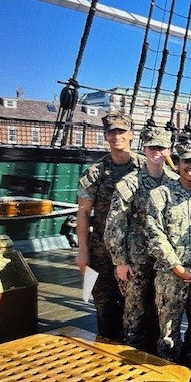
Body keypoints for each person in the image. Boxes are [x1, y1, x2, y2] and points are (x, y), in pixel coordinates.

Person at [145, 139, 191, 380]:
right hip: (170, 276)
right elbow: (154, 233)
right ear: (177, 163)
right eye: (187, 161)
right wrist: (175, 266)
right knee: (168, 332)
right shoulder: (160, 196)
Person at [103, 125, 178, 353]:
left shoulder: (175, 183)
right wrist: (120, 261)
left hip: (166, 260)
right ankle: (131, 355)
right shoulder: (130, 183)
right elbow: (115, 224)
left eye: (162, 147)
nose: (157, 151)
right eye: (152, 147)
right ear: (144, 149)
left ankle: (162, 357)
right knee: (134, 310)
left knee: (165, 310)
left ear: (168, 150)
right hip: (136, 258)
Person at [75, 111, 145, 341]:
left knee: (136, 306)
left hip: (135, 248)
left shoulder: (145, 167)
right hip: (101, 249)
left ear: (131, 135)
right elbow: (84, 212)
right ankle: (107, 349)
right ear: (106, 136)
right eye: (112, 132)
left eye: (121, 131)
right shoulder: (96, 172)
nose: (117, 136)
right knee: (104, 304)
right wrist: (82, 251)